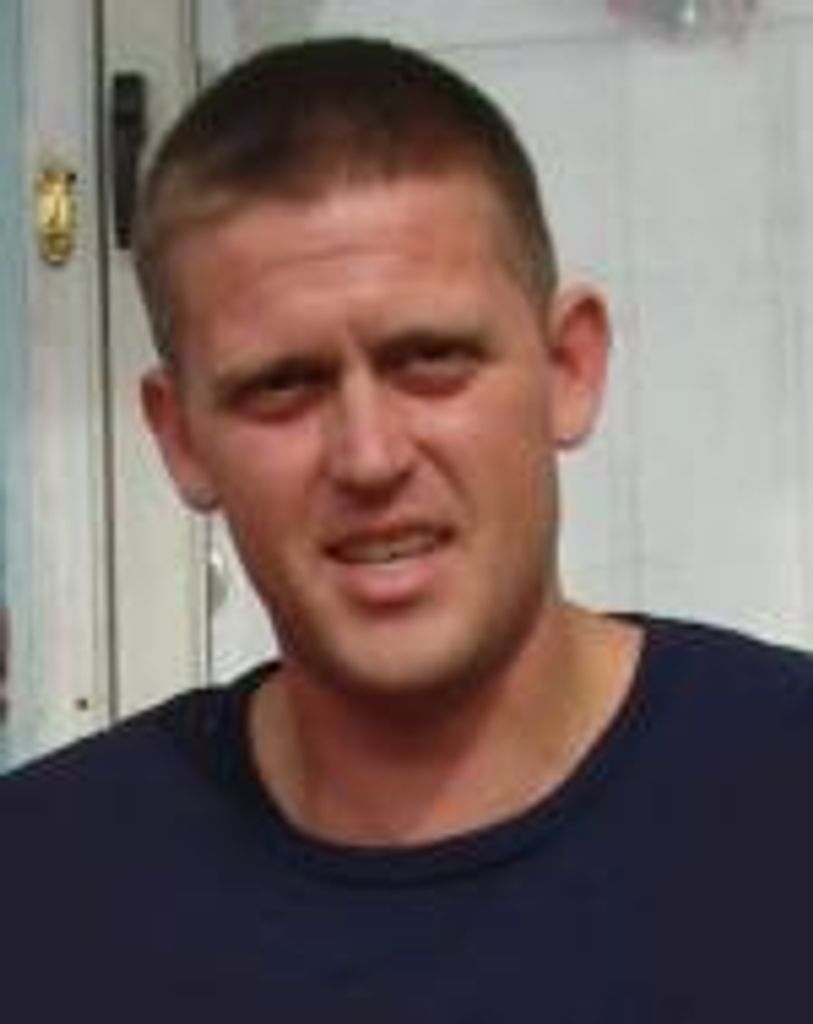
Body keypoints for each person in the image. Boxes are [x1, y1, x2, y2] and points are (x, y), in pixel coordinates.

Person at [2, 36, 813, 1022]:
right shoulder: (43, 894)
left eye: (430, 360)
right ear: (181, 439)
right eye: (283, 386)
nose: (370, 456)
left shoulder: (784, 801)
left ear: (568, 367)